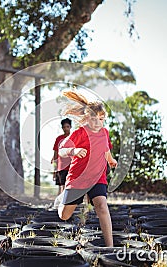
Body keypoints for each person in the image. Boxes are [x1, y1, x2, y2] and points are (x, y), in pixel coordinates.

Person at [55, 90, 117, 247]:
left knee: (101, 206)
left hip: (97, 177)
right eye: (94, 118)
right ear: (87, 118)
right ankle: (62, 198)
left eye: (101, 119)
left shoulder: (105, 133)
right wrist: (74, 151)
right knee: (64, 215)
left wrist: (110, 160)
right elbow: (62, 149)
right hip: (78, 178)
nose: (97, 122)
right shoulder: (80, 132)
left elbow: (105, 149)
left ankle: (110, 247)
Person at [51, 118, 72, 195]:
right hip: (61, 167)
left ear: (70, 127)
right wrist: (55, 169)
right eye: (64, 127)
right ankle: (59, 204)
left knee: (70, 186)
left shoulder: (74, 137)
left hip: (72, 166)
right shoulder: (59, 139)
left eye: (67, 126)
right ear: (62, 128)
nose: (66, 129)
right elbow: (55, 154)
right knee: (61, 186)